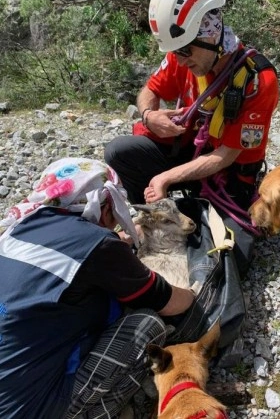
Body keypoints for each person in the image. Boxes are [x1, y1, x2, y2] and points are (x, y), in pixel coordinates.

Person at [0, 158, 195, 418]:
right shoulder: (99, 244)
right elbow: (170, 302)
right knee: (147, 324)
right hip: (30, 409)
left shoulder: (19, 227)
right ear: (104, 207)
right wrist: (194, 291)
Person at [104, 0, 280, 209]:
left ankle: (189, 215)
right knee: (120, 151)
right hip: (191, 154)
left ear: (211, 35)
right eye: (176, 52)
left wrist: (165, 178)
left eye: (185, 51)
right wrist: (149, 116)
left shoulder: (258, 80)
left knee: (222, 244)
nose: (181, 60)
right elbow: (150, 91)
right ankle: (153, 215)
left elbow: (226, 155)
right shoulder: (182, 54)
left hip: (228, 175)